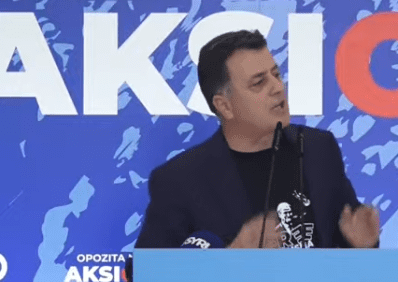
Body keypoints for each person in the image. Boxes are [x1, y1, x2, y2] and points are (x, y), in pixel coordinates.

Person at [134, 29, 379, 250]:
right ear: (225, 106)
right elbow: (145, 274)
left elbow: (345, 243)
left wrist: (362, 245)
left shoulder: (318, 149)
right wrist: (233, 254)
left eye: (276, 74)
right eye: (259, 82)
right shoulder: (180, 180)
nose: (278, 87)